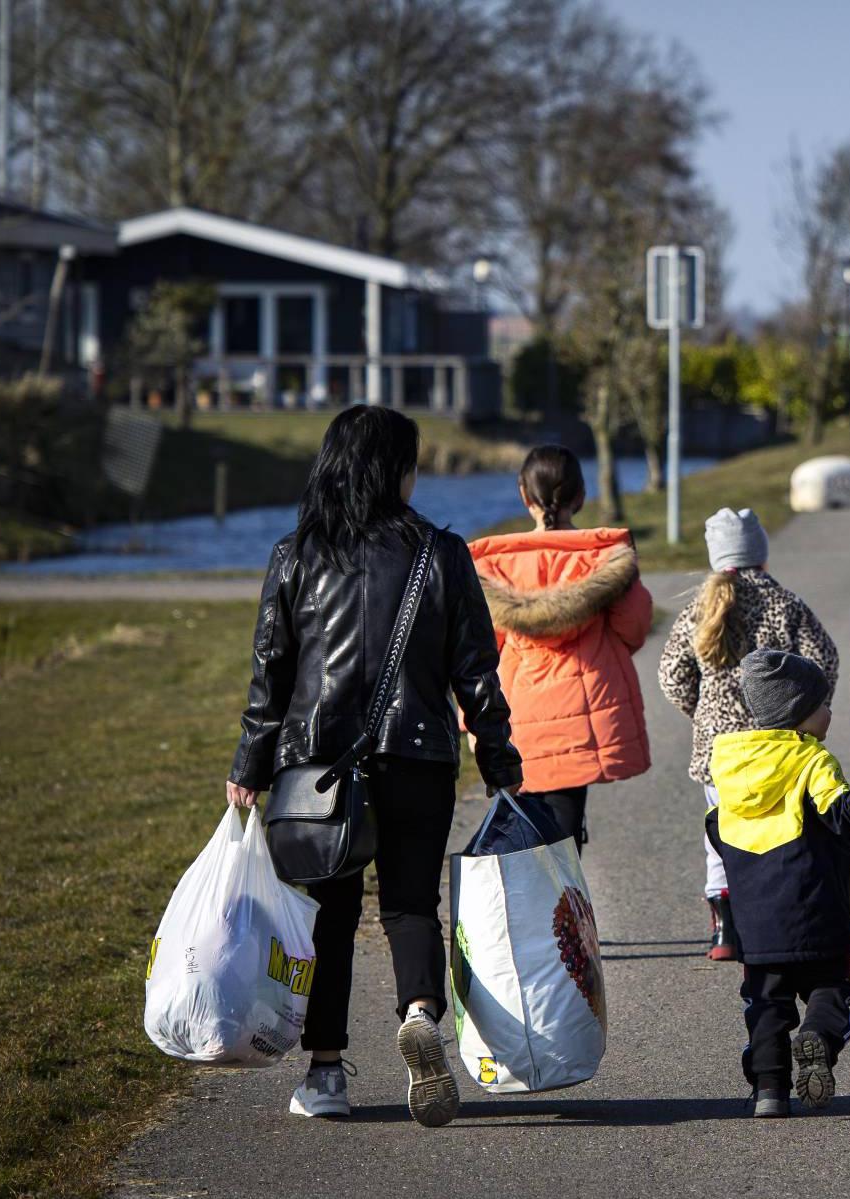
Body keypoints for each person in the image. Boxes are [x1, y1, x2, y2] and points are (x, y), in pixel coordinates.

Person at [225, 406, 522, 1127]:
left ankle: (326, 1074)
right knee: (411, 903)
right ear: (395, 470)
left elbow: (272, 672)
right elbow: (476, 666)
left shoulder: (295, 553)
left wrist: (249, 763)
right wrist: (496, 749)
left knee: (327, 917)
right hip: (417, 755)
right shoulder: (440, 552)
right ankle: (420, 1011)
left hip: (316, 768)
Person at [706, 649, 850, 1117]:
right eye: (822, 704)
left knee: (765, 1005)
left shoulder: (731, 765)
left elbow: (717, 828)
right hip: (815, 911)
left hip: (755, 922)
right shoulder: (812, 760)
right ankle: (818, 1035)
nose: (829, 713)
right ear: (797, 713)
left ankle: (769, 1091)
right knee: (831, 988)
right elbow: (846, 815)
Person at [659, 507, 839, 961]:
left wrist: (702, 713)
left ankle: (724, 930)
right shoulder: (786, 604)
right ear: (760, 552)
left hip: (719, 752)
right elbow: (825, 660)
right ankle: (778, 921)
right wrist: (805, 712)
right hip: (779, 747)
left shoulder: (699, 609)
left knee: (721, 836)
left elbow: (670, 676)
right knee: (779, 834)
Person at [468, 446, 652, 850]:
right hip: (583, 712)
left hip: (519, 716)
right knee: (565, 828)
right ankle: (564, 906)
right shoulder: (606, 562)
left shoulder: (493, 569)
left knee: (525, 822)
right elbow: (634, 629)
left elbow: (475, 657)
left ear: (524, 495)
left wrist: (471, 724)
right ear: (581, 496)